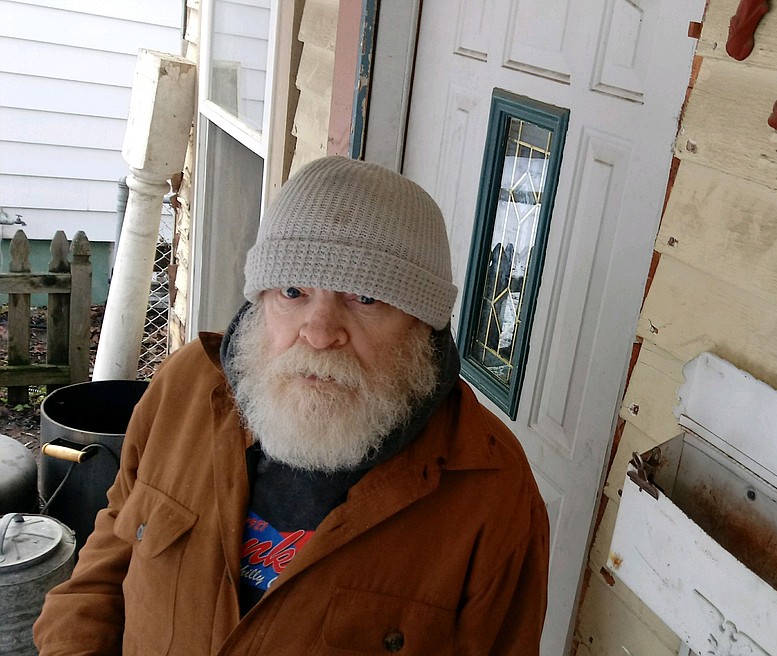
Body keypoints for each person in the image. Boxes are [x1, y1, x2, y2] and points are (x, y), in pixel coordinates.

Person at [33, 156, 550, 655]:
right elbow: (105, 566)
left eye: (366, 298)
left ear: (424, 326)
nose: (320, 333)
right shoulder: (186, 388)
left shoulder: (491, 491)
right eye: (293, 290)